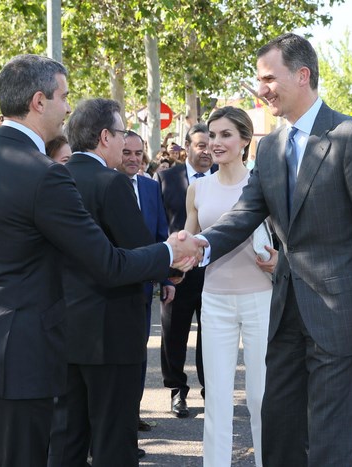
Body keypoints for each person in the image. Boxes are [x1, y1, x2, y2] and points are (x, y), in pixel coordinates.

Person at [0, 54, 203, 467]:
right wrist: (169, 252)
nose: (67, 108)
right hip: (17, 359)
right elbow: (106, 263)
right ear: (39, 101)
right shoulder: (44, 173)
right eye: (63, 96)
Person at [196, 33, 352, 466]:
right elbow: (244, 214)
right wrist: (199, 245)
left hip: (341, 316)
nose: (262, 89)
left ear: (303, 75)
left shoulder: (351, 137)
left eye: (269, 78)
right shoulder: (271, 146)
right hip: (286, 312)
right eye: (259, 80)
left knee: (330, 437)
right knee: (280, 429)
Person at [47, 98, 161, 466]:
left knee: (67, 437)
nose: (124, 140)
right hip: (110, 334)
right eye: (121, 131)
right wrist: (173, 257)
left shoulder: (53, 178)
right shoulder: (112, 184)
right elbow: (141, 250)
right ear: (105, 137)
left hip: (60, 329)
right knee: (114, 437)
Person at [185, 106, 276, 467]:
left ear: (244, 140)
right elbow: (189, 243)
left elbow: (285, 240)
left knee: (260, 396)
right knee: (217, 398)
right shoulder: (197, 188)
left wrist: (279, 260)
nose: (215, 143)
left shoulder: (262, 185)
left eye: (225, 135)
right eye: (212, 135)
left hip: (260, 299)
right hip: (215, 302)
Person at [155, 122, 216, 418]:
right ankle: (177, 390)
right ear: (188, 147)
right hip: (177, 274)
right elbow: (156, 226)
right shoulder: (165, 179)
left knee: (213, 335)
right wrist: (162, 271)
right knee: (173, 333)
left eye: (211, 144)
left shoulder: (223, 178)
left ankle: (211, 390)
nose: (207, 150)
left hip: (217, 271)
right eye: (201, 144)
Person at [117, 130, 176, 434]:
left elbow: (160, 235)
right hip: (111, 286)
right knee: (117, 357)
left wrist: (166, 278)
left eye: (138, 153)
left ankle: (131, 413)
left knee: (139, 353)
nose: (133, 159)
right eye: (126, 152)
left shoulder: (151, 188)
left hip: (143, 287)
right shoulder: (107, 185)